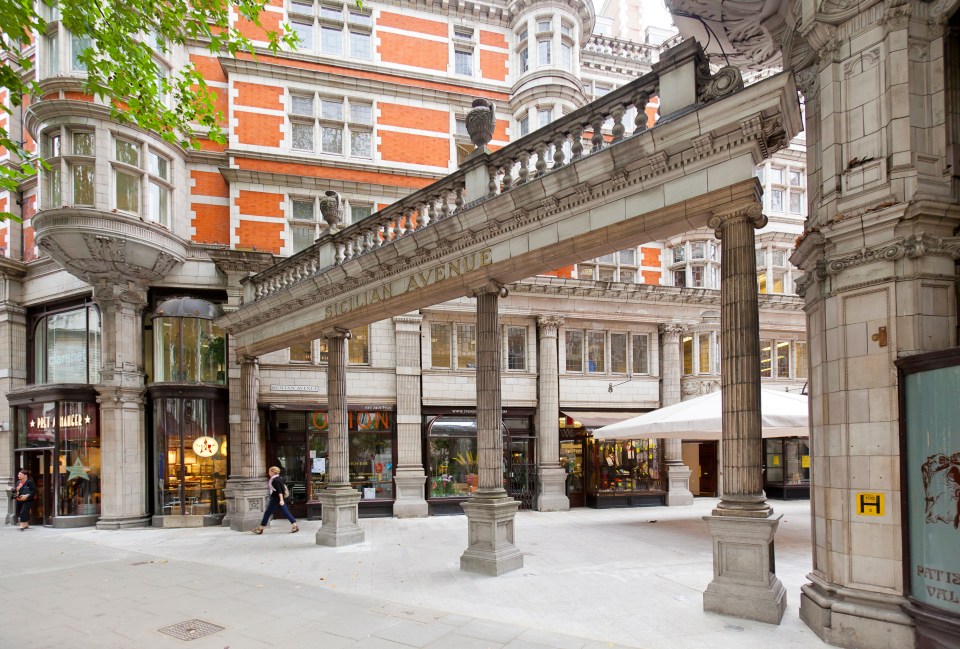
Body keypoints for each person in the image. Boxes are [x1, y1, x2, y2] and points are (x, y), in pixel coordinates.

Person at [252, 466, 298, 534]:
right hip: (278, 499)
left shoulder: (276, 480)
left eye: (269, 471)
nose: (269, 473)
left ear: (273, 472)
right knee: (286, 512)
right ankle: (295, 526)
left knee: (267, 513)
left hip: (276, 499)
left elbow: (280, 491)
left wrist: (281, 500)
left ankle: (260, 529)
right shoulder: (279, 478)